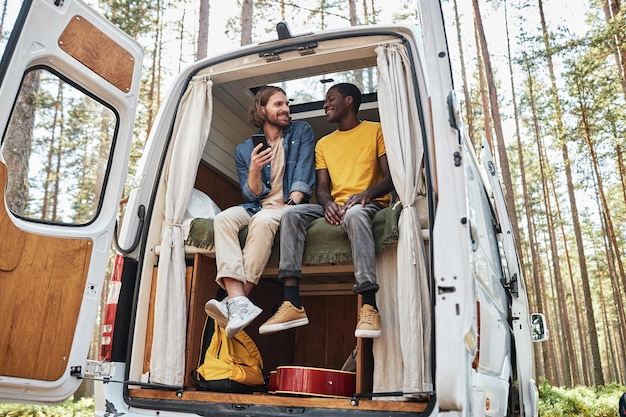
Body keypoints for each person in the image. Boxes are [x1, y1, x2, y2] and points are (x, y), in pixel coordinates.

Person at [259, 82, 393, 338]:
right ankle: (292, 302)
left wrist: (367, 194)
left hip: (369, 203)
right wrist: (328, 204)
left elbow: (390, 178)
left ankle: (369, 305)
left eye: (331, 99)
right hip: (336, 204)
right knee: (290, 213)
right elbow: (321, 188)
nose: (325, 105)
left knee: (354, 215)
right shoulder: (323, 144)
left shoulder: (376, 131)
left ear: (349, 100)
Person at [204, 85, 316, 338]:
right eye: (278, 104)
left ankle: (237, 300)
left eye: (287, 103)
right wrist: (254, 169)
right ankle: (238, 300)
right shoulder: (245, 150)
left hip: (289, 206)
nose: (286, 109)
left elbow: (303, 176)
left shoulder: (302, 131)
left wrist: (292, 203)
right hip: (258, 206)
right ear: (262, 109)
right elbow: (251, 194)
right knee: (222, 219)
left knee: (264, 220)